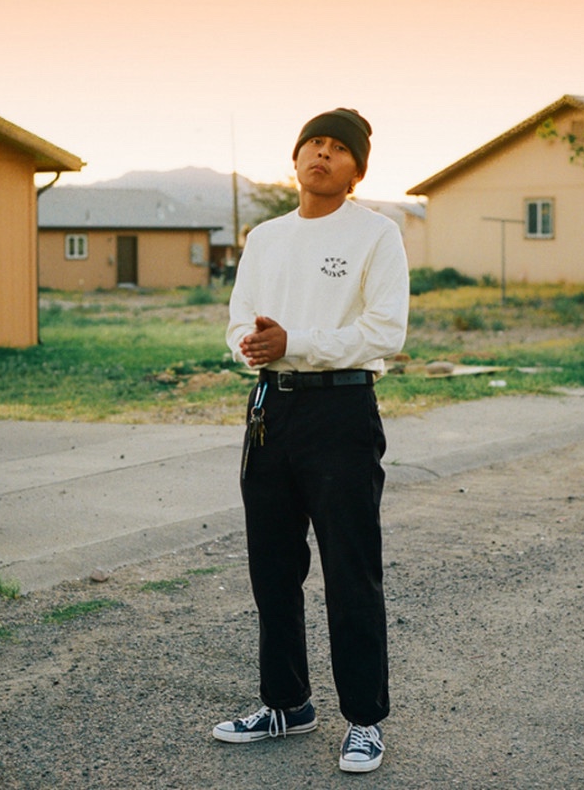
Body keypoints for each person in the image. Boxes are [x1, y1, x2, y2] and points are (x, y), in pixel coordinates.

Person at [212, 108, 409, 773]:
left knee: (350, 569)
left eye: (337, 148)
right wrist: (252, 345)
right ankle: (286, 704)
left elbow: (385, 332)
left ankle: (364, 719)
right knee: (272, 567)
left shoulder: (375, 233)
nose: (322, 154)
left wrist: (295, 342)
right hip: (271, 410)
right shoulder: (266, 237)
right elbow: (239, 321)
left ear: (357, 170)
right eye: (313, 144)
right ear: (295, 158)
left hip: (342, 411)